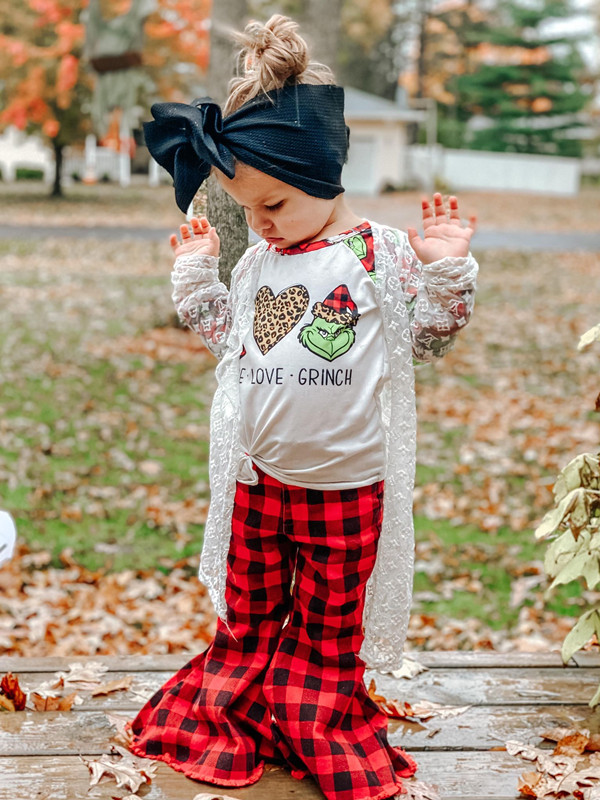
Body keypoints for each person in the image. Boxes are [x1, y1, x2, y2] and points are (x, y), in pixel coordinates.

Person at [126, 14, 478, 800]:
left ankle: (314, 718)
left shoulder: (377, 254)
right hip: (258, 483)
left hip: (347, 490)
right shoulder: (257, 260)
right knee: (248, 620)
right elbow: (234, 345)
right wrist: (197, 281)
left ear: (324, 175)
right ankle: (235, 710)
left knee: (326, 630)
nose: (261, 222)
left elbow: (428, 338)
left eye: (275, 203)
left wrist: (448, 273)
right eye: (249, 208)